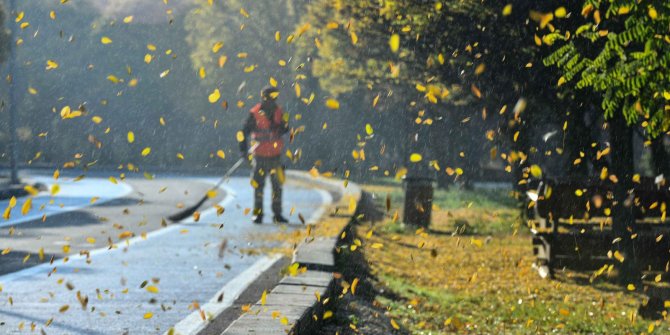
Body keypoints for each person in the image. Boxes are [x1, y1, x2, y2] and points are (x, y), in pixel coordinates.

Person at [239, 86, 289, 224]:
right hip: (259, 156)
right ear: (264, 98)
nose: (272, 100)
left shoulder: (280, 112)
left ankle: (277, 215)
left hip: (276, 156)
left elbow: (286, 128)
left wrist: (279, 128)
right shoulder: (254, 113)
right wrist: (243, 150)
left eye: (274, 97)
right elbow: (243, 132)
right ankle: (258, 214)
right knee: (258, 187)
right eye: (270, 97)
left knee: (277, 187)